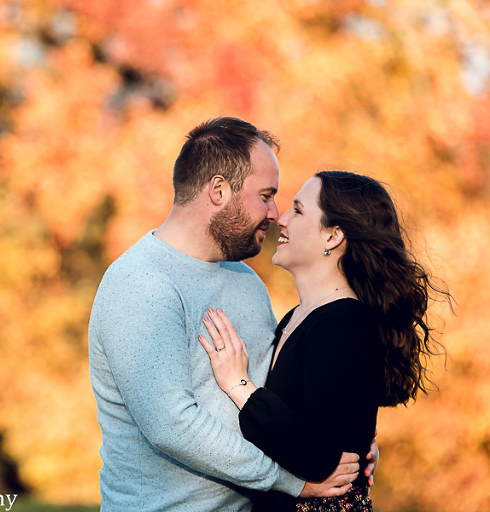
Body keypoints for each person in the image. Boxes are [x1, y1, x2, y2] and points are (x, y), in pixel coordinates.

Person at [88, 118, 369, 511]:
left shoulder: (247, 282)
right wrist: (294, 481)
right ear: (219, 190)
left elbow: (282, 394)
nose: (275, 213)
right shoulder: (141, 283)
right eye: (266, 195)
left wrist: (343, 439)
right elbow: (171, 425)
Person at [199, 170, 449, 511]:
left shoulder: (343, 325)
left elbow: (316, 457)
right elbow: (317, 425)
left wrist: (238, 384)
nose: (281, 219)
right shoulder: (298, 318)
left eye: (298, 211)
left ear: (333, 236)